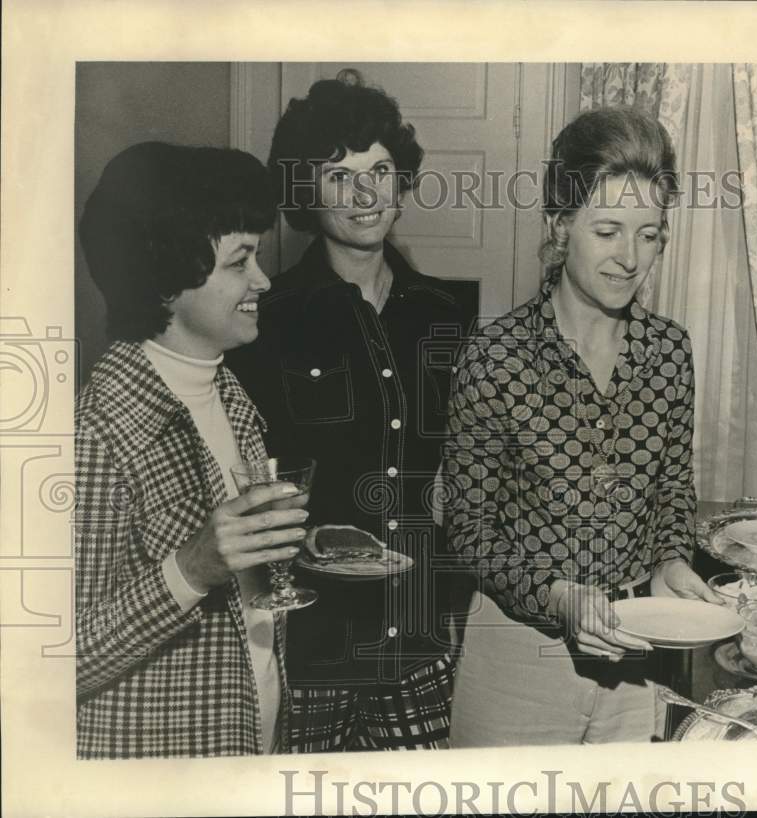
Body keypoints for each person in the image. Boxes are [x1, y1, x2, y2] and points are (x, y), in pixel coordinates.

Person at [442, 108, 723, 746]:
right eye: (608, 231)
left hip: (635, 650)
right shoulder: (496, 356)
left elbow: (673, 491)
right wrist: (555, 595)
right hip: (519, 651)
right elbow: (466, 528)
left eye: (649, 235)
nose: (630, 258)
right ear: (560, 225)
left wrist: (670, 562)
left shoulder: (669, 351)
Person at [228, 78, 463, 751]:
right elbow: (242, 480)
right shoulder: (264, 321)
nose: (366, 196)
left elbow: (464, 472)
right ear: (305, 191)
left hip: (419, 643)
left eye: (380, 171)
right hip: (305, 650)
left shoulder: (443, 316)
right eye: (340, 175)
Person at [75, 141, 303, 759]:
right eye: (240, 261)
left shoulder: (231, 396)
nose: (264, 279)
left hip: (246, 742)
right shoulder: (96, 433)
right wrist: (192, 568)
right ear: (168, 281)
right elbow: (55, 661)